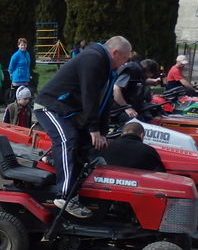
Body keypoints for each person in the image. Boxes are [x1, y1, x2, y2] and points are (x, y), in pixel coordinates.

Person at [35, 35, 133, 218]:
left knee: (85, 145)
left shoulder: (108, 69)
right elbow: (90, 96)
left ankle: (71, 181)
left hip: (69, 111)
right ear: (115, 53)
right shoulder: (93, 59)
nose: (126, 62)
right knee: (68, 139)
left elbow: (104, 103)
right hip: (51, 105)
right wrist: (93, 129)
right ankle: (64, 197)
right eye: (125, 57)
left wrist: (102, 132)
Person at [112, 58, 161, 122]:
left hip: (131, 107)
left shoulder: (138, 72)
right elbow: (116, 89)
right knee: (137, 123)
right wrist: (126, 107)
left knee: (152, 111)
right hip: (118, 110)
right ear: (148, 72)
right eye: (152, 74)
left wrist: (154, 81)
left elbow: (139, 81)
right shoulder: (131, 71)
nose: (151, 76)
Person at [7, 37, 32, 102]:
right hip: (17, 79)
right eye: (21, 45)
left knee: (25, 96)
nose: (23, 46)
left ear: (26, 45)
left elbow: (28, 66)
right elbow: (11, 66)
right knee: (17, 96)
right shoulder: (16, 55)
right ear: (18, 46)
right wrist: (11, 75)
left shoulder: (27, 54)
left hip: (25, 78)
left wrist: (29, 75)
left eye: (24, 45)